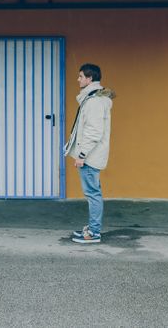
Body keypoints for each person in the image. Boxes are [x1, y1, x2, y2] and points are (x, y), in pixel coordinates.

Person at [64, 63, 114, 244]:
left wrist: (81, 155)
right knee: (94, 192)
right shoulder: (94, 98)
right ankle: (93, 228)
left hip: (90, 157)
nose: (78, 80)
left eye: (80, 77)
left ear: (89, 78)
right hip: (91, 155)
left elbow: (93, 132)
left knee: (92, 194)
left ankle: (93, 232)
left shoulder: (94, 101)